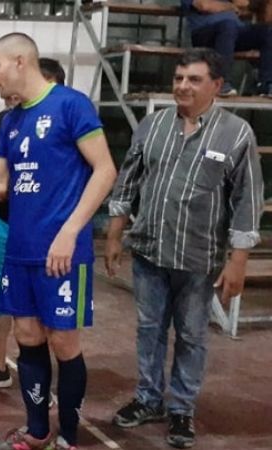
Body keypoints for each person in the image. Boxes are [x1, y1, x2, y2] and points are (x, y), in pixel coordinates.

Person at [0, 33, 116, 450]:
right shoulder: (10, 121)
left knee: (63, 340)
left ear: (18, 62)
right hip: (20, 251)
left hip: (64, 253)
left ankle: (67, 434)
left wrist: (69, 231)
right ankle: (36, 430)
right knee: (27, 336)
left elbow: (105, 171)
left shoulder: (71, 105)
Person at [107, 48, 264, 449]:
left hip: (198, 259)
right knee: (149, 330)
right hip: (149, 252)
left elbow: (247, 200)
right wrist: (115, 232)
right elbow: (129, 179)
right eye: (178, 78)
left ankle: (181, 409)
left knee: (192, 336)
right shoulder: (154, 125)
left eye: (193, 79)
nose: (182, 86)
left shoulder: (236, 133)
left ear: (216, 85)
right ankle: (148, 399)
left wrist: (238, 260)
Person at [0, 58, 67, 395]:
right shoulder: (3, 123)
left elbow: (97, 176)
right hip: (4, 226)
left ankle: (43, 376)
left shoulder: (71, 124)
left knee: (46, 306)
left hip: (49, 234)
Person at [181, 0, 272, 96]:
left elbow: (244, 3)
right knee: (228, 25)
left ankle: (267, 84)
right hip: (204, 33)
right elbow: (204, 5)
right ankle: (222, 83)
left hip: (233, 33)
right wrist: (231, 6)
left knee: (267, 32)